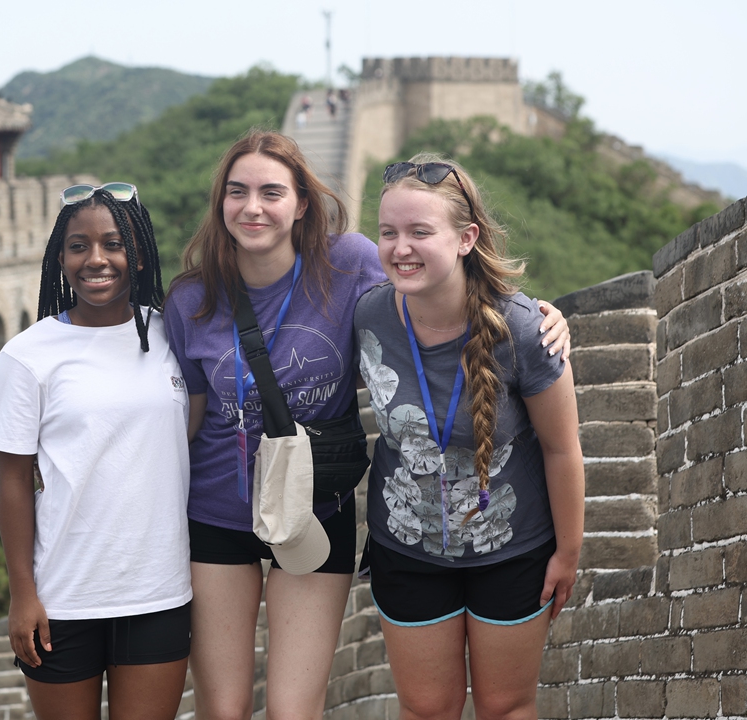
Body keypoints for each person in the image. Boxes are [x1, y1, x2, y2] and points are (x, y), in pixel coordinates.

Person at [164, 132, 571, 719]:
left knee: (291, 710)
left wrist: (546, 321)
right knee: (223, 710)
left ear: (302, 202)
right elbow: (184, 420)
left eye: (271, 191)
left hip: (315, 508)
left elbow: (447, 295)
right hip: (217, 510)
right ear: (219, 202)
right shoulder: (190, 300)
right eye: (238, 191)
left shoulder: (351, 263)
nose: (253, 206)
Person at [355, 156, 584, 720]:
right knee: (426, 708)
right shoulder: (368, 315)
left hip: (513, 549)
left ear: (465, 238)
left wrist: (569, 552)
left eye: (419, 232)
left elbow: (561, 449)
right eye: (388, 233)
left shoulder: (524, 329)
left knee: (505, 706)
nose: (400, 247)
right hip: (406, 548)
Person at [0, 183, 192, 720]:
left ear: (140, 254)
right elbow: (13, 481)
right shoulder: (28, 355)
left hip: (158, 592)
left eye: (113, 243)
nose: (96, 259)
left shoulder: (174, 337)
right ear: (60, 258)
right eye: (79, 246)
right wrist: (22, 594)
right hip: (63, 598)